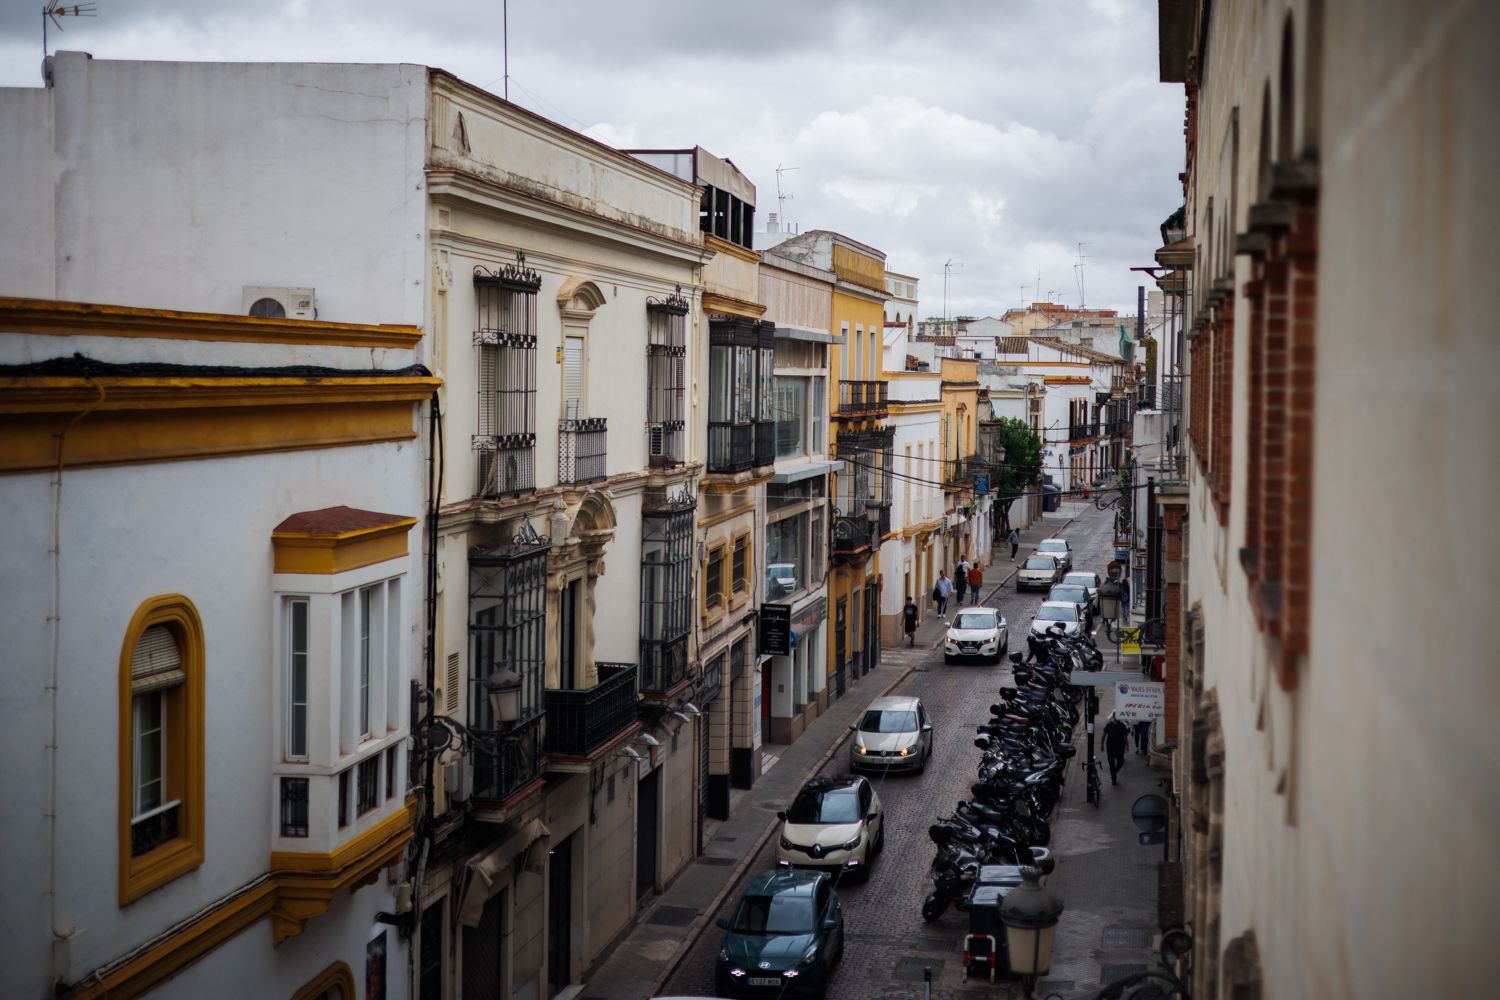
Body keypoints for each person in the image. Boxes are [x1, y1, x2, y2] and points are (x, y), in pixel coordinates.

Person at [1103, 712, 1130, 785]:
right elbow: (1104, 735)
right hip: (1110, 747)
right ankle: (1113, 779)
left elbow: (1125, 736)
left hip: (1120, 747)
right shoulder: (1109, 725)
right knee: (1111, 763)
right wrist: (1102, 745)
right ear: (1114, 717)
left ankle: (1114, 772)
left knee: (1120, 762)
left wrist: (1127, 745)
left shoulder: (1122, 726)